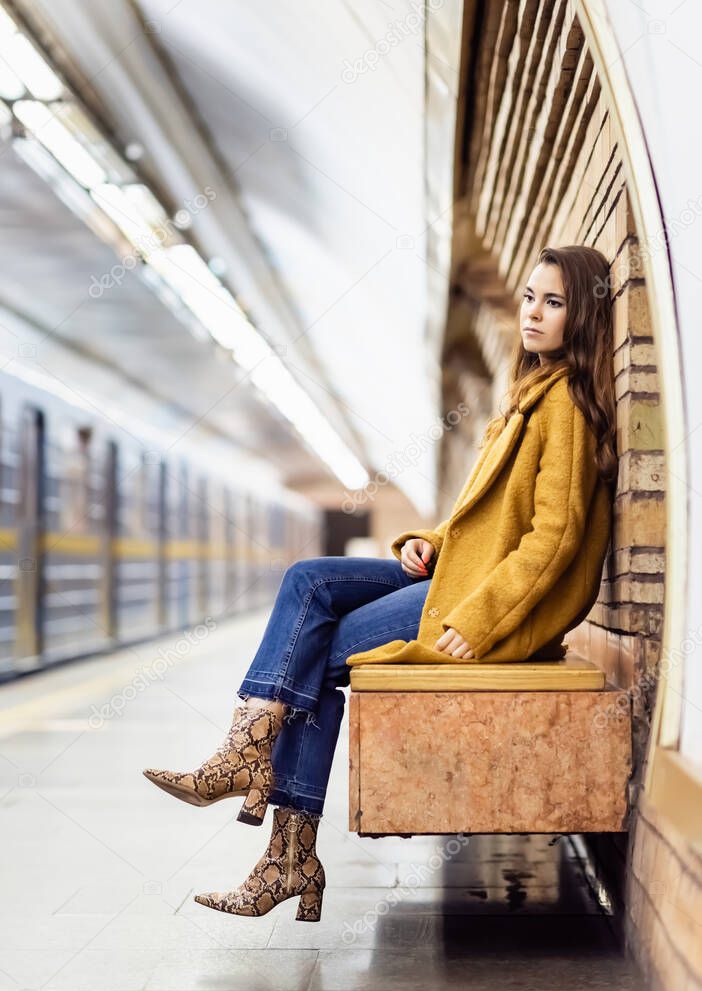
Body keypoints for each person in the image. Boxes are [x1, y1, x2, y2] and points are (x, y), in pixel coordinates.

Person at [142, 244, 618, 924]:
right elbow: (488, 522)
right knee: (307, 581)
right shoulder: (528, 397)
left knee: (313, 658)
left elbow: (554, 538)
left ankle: (271, 818)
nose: (534, 313)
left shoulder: (564, 405)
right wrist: (429, 541)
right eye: (530, 298)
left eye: (555, 302)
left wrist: (479, 620)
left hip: (485, 605)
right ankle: (262, 794)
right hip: (460, 573)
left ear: (584, 316)